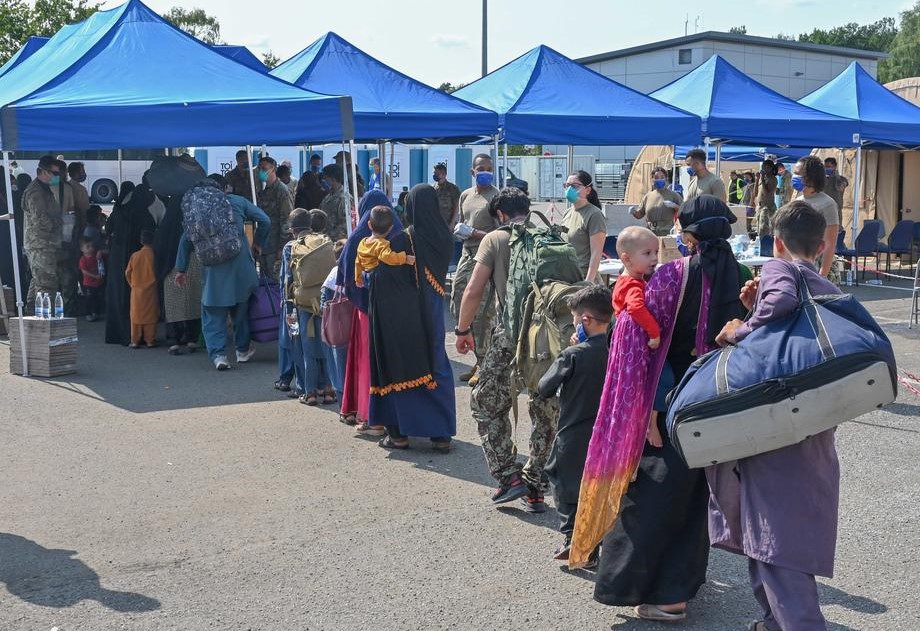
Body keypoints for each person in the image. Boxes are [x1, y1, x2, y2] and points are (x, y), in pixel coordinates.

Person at [577, 195, 746, 622]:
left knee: (652, 494)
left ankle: (652, 590)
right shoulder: (745, 276)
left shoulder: (673, 275)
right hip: (721, 400)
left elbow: (638, 343)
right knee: (693, 494)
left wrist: (644, 410)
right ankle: (679, 589)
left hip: (671, 404)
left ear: (688, 235)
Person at [713, 200, 840, 631]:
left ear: (776, 242)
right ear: (823, 243)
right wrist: (757, 308)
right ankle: (770, 620)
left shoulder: (780, 269)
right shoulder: (826, 286)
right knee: (779, 527)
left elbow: (780, 301)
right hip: (813, 419)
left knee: (773, 533)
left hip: (774, 423)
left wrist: (739, 329)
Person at [456, 186, 558, 511]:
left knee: (485, 402)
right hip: (548, 339)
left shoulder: (495, 239)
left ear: (499, 214)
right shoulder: (552, 236)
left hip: (511, 336)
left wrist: (462, 329)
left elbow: (473, 291)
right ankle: (537, 485)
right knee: (545, 411)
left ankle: (509, 477)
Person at [370, 184, 456, 452]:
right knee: (436, 364)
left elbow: (382, 282)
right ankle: (441, 434)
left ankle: (399, 435)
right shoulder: (445, 237)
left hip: (405, 319)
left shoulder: (402, 241)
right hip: (433, 314)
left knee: (402, 365)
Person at [537, 284, 612, 560]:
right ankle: (597, 540)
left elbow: (544, 386)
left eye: (574, 320)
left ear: (585, 320)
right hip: (605, 434)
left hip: (573, 432)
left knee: (563, 482)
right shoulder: (616, 350)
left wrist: (569, 351)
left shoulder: (573, 355)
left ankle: (574, 539)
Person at [175, 180, 270, 371]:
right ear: (222, 188)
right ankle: (242, 351)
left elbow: (186, 240)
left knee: (213, 314)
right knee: (241, 311)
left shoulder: (197, 210)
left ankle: (219, 356)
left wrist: (181, 269)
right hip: (242, 267)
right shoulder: (236, 201)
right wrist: (259, 243)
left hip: (213, 272)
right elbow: (265, 220)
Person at [337, 190, 403, 428]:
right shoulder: (400, 235)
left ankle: (365, 412)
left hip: (365, 311)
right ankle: (391, 416)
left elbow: (345, 274)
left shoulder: (358, 238)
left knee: (365, 360)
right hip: (395, 311)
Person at [450, 153, 499, 386]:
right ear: (472, 172)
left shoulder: (496, 197)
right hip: (466, 254)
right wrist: (460, 230)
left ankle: (484, 363)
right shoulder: (465, 195)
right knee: (457, 301)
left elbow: (502, 233)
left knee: (481, 311)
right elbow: (460, 222)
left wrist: (474, 233)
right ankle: (476, 354)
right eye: (481, 168)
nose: (486, 172)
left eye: (489, 168)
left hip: (485, 256)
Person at [282, 209, 335, 405]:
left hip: (302, 304)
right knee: (326, 347)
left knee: (307, 350)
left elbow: (288, 280)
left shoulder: (293, 246)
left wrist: (287, 307)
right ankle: (329, 390)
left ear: (294, 230)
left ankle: (310, 392)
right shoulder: (323, 241)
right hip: (324, 302)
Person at [105, 181, 156, 345]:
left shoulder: (119, 210)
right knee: (138, 301)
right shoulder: (144, 215)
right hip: (137, 259)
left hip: (117, 258)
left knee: (117, 295)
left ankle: (118, 333)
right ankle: (140, 336)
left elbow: (108, 228)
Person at [155, 194, 201, 356]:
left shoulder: (166, 225)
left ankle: (173, 341)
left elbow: (159, 248)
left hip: (170, 269)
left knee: (173, 305)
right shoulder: (191, 222)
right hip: (191, 266)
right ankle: (191, 339)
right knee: (192, 303)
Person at [21, 156, 64, 310]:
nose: (57, 177)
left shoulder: (43, 189)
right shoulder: (35, 191)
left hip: (44, 243)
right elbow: (41, 219)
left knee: (38, 281)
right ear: (45, 172)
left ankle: (32, 317)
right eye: (55, 173)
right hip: (40, 244)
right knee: (47, 284)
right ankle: (44, 321)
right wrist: (57, 224)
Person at [613, 226, 662, 348]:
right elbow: (636, 308)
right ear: (627, 259)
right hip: (633, 344)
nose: (654, 258)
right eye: (647, 253)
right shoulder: (632, 286)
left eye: (656, 252)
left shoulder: (632, 280)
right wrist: (655, 333)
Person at [793, 156, 839, 279]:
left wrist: (822, 276)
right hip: (800, 265)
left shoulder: (828, 204)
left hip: (819, 268)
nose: (794, 177)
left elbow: (830, 243)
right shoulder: (797, 202)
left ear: (811, 177)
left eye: (798, 174)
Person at [562, 170, 607, 282]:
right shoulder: (567, 213)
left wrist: (588, 282)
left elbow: (596, 253)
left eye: (575, 186)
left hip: (583, 278)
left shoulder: (594, 214)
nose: (569, 189)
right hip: (567, 276)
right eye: (567, 185)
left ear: (588, 190)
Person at [354, 205, 416, 286]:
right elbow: (388, 257)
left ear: (369, 224)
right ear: (390, 228)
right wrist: (405, 258)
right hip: (376, 280)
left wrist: (358, 278)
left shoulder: (362, 242)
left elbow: (357, 262)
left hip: (366, 277)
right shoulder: (381, 244)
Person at [319, 239, 349, 403]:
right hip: (355, 326)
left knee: (337, 363)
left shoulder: (333, 274)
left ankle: (343, 402)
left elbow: (324, 302)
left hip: (336, 327)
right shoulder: (354, 270)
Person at [256, 156, 293, 280]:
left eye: (264, 168)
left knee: (276, 282)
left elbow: (287, 220)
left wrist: (282, 246)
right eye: (260, 168)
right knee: (265, 282)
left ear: (273, 169)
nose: (261, 171)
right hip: (265, 245)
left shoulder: (281, 191)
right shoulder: (265, 190)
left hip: (275, 245)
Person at [125, 229, 158, 348]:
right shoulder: (154, 255)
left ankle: (135, 340)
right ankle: (150, 340)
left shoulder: (135, 255)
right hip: (151, 290)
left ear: (141, 241)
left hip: (136, 290)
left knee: (135, 315)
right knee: (151, 315)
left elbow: (127, 272)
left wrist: (133, 284)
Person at [632, 167, 683, 236]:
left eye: (662, 177)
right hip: (651, 233)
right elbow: (640, 215)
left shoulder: (673, 195)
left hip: (667, 232)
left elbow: (684, 211)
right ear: (652, 179)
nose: (659, 179)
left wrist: (675, 206)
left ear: (666, 178)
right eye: (656, 177)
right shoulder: (648, 196)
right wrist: (634, 212)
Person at [319, 164, 351, 241]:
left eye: (326, 178)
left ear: (333, 178)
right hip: (325, 241)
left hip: (337, 242)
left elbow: (345, 225)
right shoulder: (328, 197)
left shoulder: (344, 198)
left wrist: (328, 237)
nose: (324, 181)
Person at [78, 238, 104, 322]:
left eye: (92, 246)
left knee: (97, 298)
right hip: (88, 283)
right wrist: (95, 276)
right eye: (87, 247)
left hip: (98, 282)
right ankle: (88, 313)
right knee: (89, 299)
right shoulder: (83, 259)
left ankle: (96, 313)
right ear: (82, 249)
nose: (90, 248)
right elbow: (84, 271)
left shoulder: (96, 256)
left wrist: (100, 252)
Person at [754, 159, 778, 236]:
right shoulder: (763, 179)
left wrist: (763, 180)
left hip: (767, 207)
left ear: (770, 168)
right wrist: (757, 179)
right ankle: (761, 244)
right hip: (760, 206)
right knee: (758, 229)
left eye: (765, 167)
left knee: (764, 229)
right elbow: (755, 193)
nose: (763, 169)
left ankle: (765, 246)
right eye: (762, 167)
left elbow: (767, 193)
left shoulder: (772, 179)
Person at [432, 162, 461, 228]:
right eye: (434, 173)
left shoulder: (453, 188)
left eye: (436, 173)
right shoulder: (432, 188)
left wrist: (452, 224)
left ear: (443, 174)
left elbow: (456, 207)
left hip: (448, 223)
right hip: (435, 224)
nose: (434, 175)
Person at [823, 157, 849, 224]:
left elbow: (840, 188)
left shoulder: (842, 179)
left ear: (834, 167)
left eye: (829, 166)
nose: (826, 169)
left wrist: (835, 175)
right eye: (825, 167)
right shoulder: (822, 179)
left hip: (835, 213)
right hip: (822, 212)